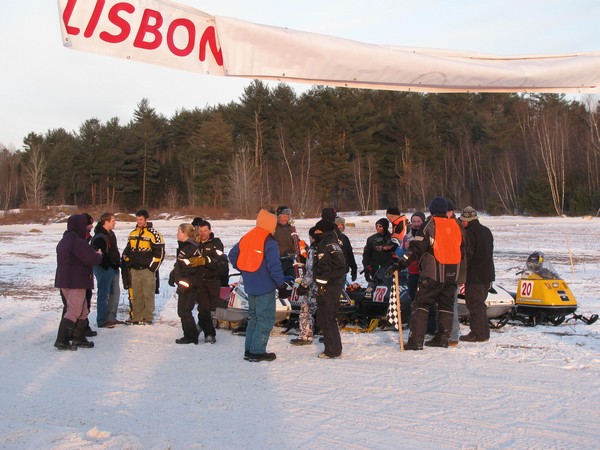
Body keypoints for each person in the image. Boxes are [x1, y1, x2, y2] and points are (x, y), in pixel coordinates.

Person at [390, 196, 463, 350]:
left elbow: (416, 249)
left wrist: (400, 264)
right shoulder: (455, 226)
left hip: (433, 272)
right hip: (452, 273)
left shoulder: (429, 224)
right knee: (445, 305)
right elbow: (463, 248)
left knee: (421, 303)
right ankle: (442, 338)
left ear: (432, 210)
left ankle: (416, 341)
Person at [229, 209, 286, 362]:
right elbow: (274, 266)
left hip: (250, 285)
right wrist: (281, 284)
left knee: (253, 318)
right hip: (265, 286)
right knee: (265, 318)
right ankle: (257, 351)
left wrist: (244, 268)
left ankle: (249, 350)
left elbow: (232, 255)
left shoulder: (247, 236)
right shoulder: (269, 241)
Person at [54, 214, 103, 350]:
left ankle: (78, 338)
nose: (89, 227)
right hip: (76, 281)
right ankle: (62, 340)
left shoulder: (64, 240)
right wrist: (98, 255)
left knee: (83, 310)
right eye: (85, 224)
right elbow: (91, 259)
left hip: (64, 279)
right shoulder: (77, 241)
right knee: (74, 310)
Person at [458, 206, 495, 343]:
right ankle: (483, 333)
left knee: (474, 304)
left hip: (475, 275)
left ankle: (477, 334)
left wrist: (460, 270)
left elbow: (468, 254)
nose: (461, 223)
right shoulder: (486, 231)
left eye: (462, 220)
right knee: (480, 303)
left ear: (466, 221)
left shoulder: (469, 233)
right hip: (487, 273)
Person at [122, 210, 165, 325]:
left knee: (148, 294)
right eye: (137, 219)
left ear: (147, 219)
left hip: (147, 270)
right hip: (134, 269)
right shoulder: (132, 233)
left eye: (141, 219)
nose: (139, 221)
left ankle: (148, 317)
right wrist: (127, 261)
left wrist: (152, 268)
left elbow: (160, 253)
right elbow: (128, 249)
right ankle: (137, 316)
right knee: (136, 295)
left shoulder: (154, 234)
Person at [313, 218, 346, 359]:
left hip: (331, 287)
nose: (315, 232)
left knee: (328, 317)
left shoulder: (330, 244)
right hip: (324, 286)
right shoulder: (323, 243)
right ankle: (332, 347)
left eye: (317, 230)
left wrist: (325, 282)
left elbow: (339, 266)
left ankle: (333, 350)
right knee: (323, 317)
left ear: (324, 231)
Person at [191, 219, 225, 344]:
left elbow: (219, 258)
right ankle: (210, 334)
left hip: (214, 280)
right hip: (200, 281)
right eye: (200, 231)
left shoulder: (216, 243)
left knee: (211, 309)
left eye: (205, 231)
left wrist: (205, 260)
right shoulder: (194, 243)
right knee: (203, 308)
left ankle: (200, 326)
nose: (203, 233)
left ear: (210, 230)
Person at [168, 224, 202, 344]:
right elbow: (180, 266)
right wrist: (173, 276)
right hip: (186, 284)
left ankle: (191, 337)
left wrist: (183, 284)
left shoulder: (189, 248)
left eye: (179, 232)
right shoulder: (185, 247)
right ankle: (189, 335)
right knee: (182, 311)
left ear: (185, 234)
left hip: (189, 285)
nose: (177, 234)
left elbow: (190, 270)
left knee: (185, 311)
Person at [91, 213, 123, 328]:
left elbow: (114, 251)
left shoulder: (111, 234)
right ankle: (102, 320)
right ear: (106, 221)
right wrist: (107, 265)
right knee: (104, 294)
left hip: (113, 267)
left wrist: (118, 263)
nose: (115, 222)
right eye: (113, 220)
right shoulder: (99, 236)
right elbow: (99, 255)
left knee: (115, 293)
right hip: (104, 269)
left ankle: (111, 318)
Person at [290, 226, 318, 345]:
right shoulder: (322, 248)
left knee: (305, 311)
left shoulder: (313, 250)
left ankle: (305, 335)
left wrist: (304, 285)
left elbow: (311, 270)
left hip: (312, 287)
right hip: (322, 286)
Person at [401, 211, 426, 323]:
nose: (416, 224)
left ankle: (426, 324)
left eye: (419, 221)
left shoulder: (426, 235)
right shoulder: (407, 237)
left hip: (425, 272)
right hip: (412, 272)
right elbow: (400, 254)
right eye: (414, 221)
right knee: (413, 297)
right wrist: (404, 248)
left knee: (424, 299)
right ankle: (414, 321)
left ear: (423, 222)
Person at [273, 205, 296, 278]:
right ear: (278, 216)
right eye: (284, 216)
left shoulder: (291, 228)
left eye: (287, 216)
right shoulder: (273, 228)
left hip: (290, 261)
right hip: (278, 262)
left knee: (291, 282)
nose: (286, 218)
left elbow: (295, 241)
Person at [335, 216, 358, 283]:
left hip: (343, 272)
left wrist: (354, 268)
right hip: (333, 272)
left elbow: (349, 254)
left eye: (341, 225)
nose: (340, 226)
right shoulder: (330, 238)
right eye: (338, 225)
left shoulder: (345, 238)